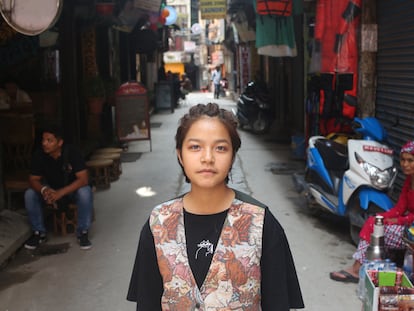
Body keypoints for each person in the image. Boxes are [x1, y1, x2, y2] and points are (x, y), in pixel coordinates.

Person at [127, 103, 304, 310]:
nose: (208, 158)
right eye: (195, 147)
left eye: (220, 148)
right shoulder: (158, 224)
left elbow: (278, 304)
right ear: (179, 154)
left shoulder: (262, 223)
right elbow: (147, 303)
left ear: (233, 156)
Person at [330, 140, 414, 283]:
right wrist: (381, 217)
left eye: (410, 160)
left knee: (378, 230)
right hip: (409, 226)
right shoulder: (409, 180)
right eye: (403, 160)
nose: (405, 164)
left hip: (410, 229)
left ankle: (357, 269)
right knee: (373, 222)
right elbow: (400, 208)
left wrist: (398, 221)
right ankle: (368, 269)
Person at [24, 124, 94, 250]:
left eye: (49, 140)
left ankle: (82, 232)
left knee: (85, 192)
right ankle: (39, 233)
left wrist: (60, 193)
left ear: (59, 142)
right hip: (50, 190)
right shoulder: (39, 154)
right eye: (43, 140)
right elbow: (33, 179)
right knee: (30, 194)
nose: (45, 143)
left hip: (71, 190)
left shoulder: (72, 152)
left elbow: (83, 179)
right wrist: (44, 190)